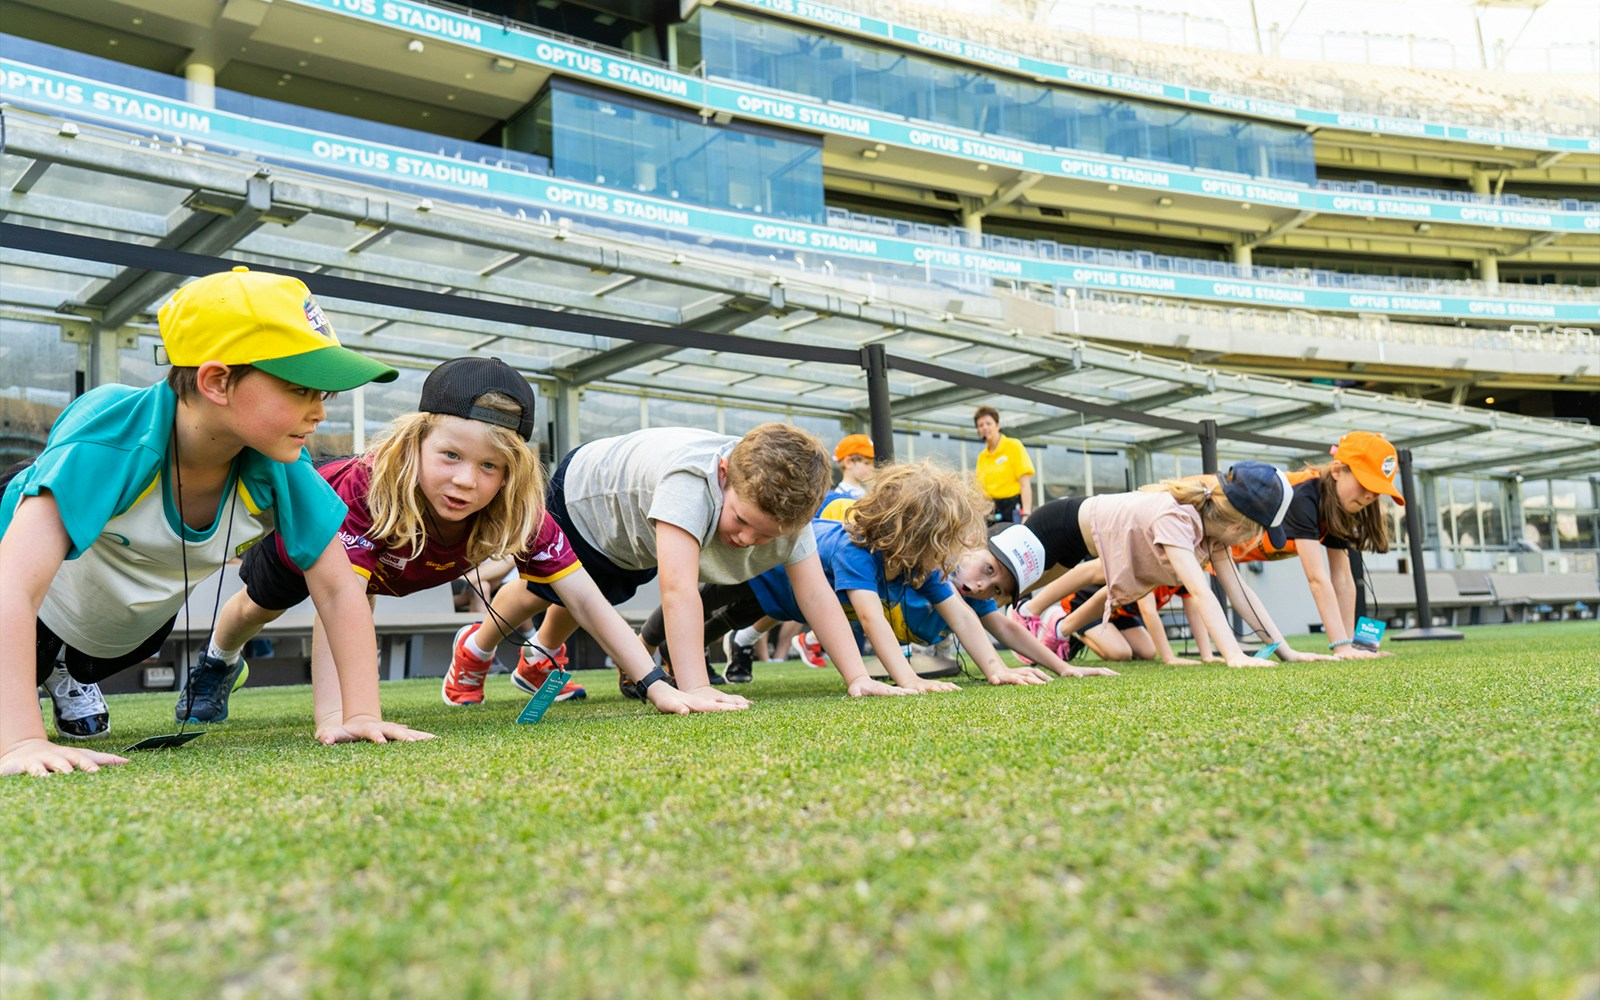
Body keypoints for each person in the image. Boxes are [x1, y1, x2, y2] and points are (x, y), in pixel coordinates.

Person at [0, 266, 421, 777]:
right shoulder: (110, 441)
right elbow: (11, 586)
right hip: (31, 587)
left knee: (117, 643)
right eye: (300, 389)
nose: (319, 413)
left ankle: (67, 671)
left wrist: (357, 715)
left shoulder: (280, 464)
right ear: (217, 381)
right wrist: (20, 740)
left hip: (124, 614)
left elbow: (337, 589)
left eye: (323, 395)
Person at [191, 358, 741, 728]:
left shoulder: (521, 513)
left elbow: (585, 600)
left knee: (364, 590)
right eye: (450, 456)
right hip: (313, 540)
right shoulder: (360, 492)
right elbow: (337, 602)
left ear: (511, 473)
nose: (465, 481)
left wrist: (656, 685)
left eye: (489, 466)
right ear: (416, 442)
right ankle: (218, 661)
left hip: (387, 568)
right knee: (257, 607)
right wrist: (339, 720)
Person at [457, 423, 908, 705]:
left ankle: (538, 657)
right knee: (545, 588)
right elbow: (678, 591)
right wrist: (695, 687)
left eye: (767, 536)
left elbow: (816, 594)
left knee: (598, 591)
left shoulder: (789, 511)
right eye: (742, 521)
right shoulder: (690, 483)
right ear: (724, 474)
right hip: (587, 496)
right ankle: (475, 648)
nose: (747, 541)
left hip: (634, 529)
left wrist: (857, 675)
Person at [670, 462, 1085, 690]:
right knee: (711, 602)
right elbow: (870, 618)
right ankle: (653, 646)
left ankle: (683, 648)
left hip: (792, 602)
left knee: (736, 616)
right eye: (988, 570)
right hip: (769, 569)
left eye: (996, 590)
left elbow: (967, 617)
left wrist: (1000, 669)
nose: (981, 587)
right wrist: (908, 678)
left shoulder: (925, 566)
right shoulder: (859, 553)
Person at [1006, 464, 1334, 668]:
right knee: (1001, 590)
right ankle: (1028, 611)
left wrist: (1286, 651)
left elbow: (1240, 592)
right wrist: (1233, 655)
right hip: (1058, 527)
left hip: (1085, 540)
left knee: (1121, 588)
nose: (1254, 540)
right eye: (1258, 532)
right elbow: (1200, 593)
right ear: (1239, 527)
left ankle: (1057, 628)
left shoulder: (1214, 534)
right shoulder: (1177, 518)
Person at [1229, 431, 1403, 658]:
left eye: (1378, 489)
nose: (1370, 495)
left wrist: (1349, 646)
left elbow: (1343, 579)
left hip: (1228, 554)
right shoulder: (1303, 495)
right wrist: (1340, 646)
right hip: (1210, 543)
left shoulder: (1337, 504)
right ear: (1337, 471)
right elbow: (1317, 579)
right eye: (1364, 483)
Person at [973, 406, 1034, 524]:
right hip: (991, 509)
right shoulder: (982, 457)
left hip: (1012, 506)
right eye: (980, 425)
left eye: (988, 423)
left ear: (997, 425)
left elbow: (1025, 483)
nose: (985, 427)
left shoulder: (1014, 446)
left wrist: (1026, 513)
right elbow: (979, 490)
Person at [818, 433, 878, 517]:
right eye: (867, 463)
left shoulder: (866, 493)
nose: (872, 468)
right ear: (848, 462)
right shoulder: (836, 499)